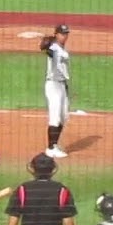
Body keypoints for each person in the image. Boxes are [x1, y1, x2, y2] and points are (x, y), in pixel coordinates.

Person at [38, 24, 71, 158]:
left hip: (62, 85)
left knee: (63, 116)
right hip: (53, 85)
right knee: (55, 116)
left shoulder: (62, 48)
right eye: (62, 33)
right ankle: (50, 148)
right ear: (56, 34)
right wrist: (47, 46)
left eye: (66, 33)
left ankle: (55, 145)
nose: (65, 36)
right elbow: (47, 50)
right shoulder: (54, 47)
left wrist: (66, 87)